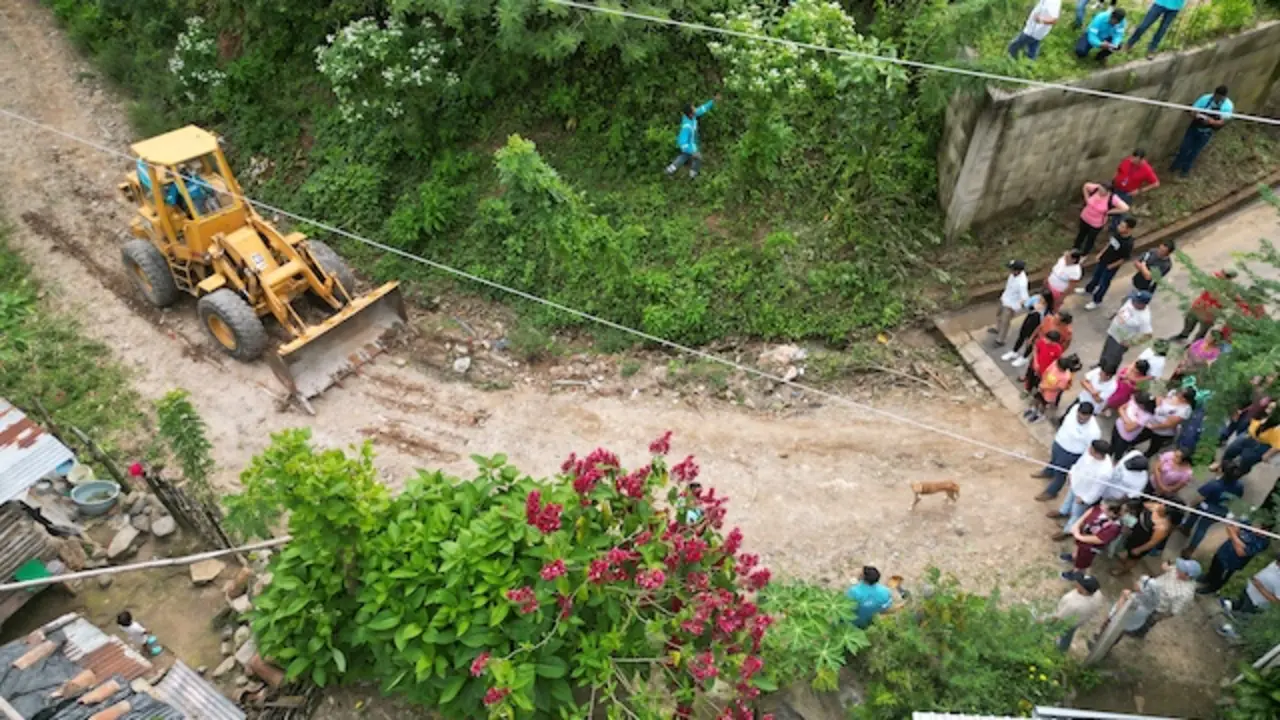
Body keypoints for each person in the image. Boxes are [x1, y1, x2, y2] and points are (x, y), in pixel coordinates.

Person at [1116, 559, 1200, 639]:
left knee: (1147, 623)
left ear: (1187, 575)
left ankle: (1138, 633)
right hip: (1147, 594)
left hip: (1156, 608)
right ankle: (1127, 623)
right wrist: (1164, 566)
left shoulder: (1185, 594)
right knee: (1134, 611)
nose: (1177, 568)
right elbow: (1166, 567)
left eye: (1181, 569)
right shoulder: (1176, 569)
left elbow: (1173, 611)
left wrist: (1159, 616)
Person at [1035, 401, 1102, 501]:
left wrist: (1079, 465)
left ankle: (1051, 492)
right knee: (1053, 461)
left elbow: (1089, 450)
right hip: (1059, 442)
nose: (1080, 420)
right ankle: (1048, 472)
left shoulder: (1094, 431)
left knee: (1060, 474)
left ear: (1090, 416)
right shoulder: (1074, 408)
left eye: (1084, 419)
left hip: (1070, 453)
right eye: (1079, 417)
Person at [1179, 460, 1247, 557]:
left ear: (1222, 472)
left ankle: (1186, 528)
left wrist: (1191, 505)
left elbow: (1199, 498)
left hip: (1207, 507)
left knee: (1197, 515)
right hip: (1221, 511)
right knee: (1203, 527)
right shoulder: (1239, 486)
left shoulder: (1214, 484)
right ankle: (1190, 549)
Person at [1050, 439, 1113, 539]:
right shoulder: (1089, 454)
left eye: (1091, 449)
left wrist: (1085, 499)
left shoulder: (1105, 471)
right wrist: (1071, 473)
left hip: (1083, 494)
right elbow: (1079, 464)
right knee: (1068, 499)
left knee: (1076, 513)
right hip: (1076, 483)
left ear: (1097, 453)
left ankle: (1068, 531)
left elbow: (1097, 490)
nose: (1089, 449)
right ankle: (1063, 512)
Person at [1172, 85, 1233, 176]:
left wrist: (1212, 122)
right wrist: (1197, 116)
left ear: (1224, 97)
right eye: (1216, 96)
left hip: (1207, 131)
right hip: (1195, 127)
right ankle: (1175, 165)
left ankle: (1185, 170)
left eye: (1220, 98)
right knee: (1184, 147)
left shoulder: (1227, 106)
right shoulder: (1205, 99)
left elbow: (1222, 122)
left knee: (1195, 151)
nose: (1217, 99)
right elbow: (1193, 111)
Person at [1198, 521, 1271, 595]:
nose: (1255, 528)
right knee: (1214, 567)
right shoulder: (1249, 523)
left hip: (1231, 562)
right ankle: (1208, 578)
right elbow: (1230, 527)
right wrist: (1239, 542)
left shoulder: (1262, 542)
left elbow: (1241, 553)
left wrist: (1233, 535)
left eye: (1259, 528)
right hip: (1223, 552)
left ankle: (1212, 588)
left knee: (1220, 576)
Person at [1081, 216, 1137, 309]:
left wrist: (1111, 266)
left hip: (1111, 266)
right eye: (1120, 225)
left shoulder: (1128, 243)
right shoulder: (1117, 234)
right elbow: (1109, 244)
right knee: (1096, 276)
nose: (1119, 227)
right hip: (1103, 260)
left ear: (1129, 229)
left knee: (1104, 283)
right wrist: (1101, 253)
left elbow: (1124, 258)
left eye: (1123, 226)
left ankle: (1097, 301)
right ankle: (1089, 289)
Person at [1171, 269, 1238, 342]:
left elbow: (1233, 301)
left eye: (1222, 273)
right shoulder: (1214, 279)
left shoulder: (1230, 289)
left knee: (1202, 331)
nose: (1219, 274)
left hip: (1210, 313)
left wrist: (1220, 305)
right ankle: (1184, 335)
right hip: (1199, 306)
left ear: (1227, 277)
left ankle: (1194, 344)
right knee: (1189, 320)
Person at [1113, 501, 1178, 575]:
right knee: (1128, 550)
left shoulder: (1162, 527)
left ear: (1167, 512)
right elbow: (1143, 504)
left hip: (1141, 542)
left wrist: (1140, 549)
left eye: (1164, 506)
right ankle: (1125, 559)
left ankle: (1123, 570)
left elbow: (1153, 542)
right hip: (1134, 533)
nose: (1161, 505)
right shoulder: (1155, 506)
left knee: (1133, 558)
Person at [1062, 501, 1122, 580]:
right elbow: (1090, 511)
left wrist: (1079, 536)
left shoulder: (1114, 527)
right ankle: (1074, 556)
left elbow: (1099, 539)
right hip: (1085, 534)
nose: (1101, 507)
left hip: (1091, 546)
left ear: (1112, 512)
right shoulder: (1100, 509)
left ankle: (1076, 573)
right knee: (1079, 548)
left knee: (1084, 560)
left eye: (1104, 507)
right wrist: (1076, 525)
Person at [1215, 406, 1280, 475]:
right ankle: (1221, 466)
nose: (1268, 409)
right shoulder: (1263, 414)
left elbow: (1278, 445)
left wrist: (1268, 454)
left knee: (1245, 462)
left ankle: (1231, 478)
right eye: (1269, 407)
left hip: (1261, 445)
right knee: (1231, 450)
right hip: (1248, 435)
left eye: (1271, 409)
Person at [666, 96, 718, 179]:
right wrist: (692, 152)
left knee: (683, 158)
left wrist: (712, 101)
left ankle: (670, 171)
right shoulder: (686, 126)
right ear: (690, 113)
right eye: (693, 108)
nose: (695, 109)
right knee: (697, 157)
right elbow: (683, 143)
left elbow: (701, 109)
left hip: (692, 144)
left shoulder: (692, 116)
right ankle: (691, 175)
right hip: (688, 146)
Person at [1051, 574, 1105, 651]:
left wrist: (1050, 623)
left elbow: (1058, 617)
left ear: (1084, 591)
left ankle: (1060, 649)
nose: (1076, 582)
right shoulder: (1097, 594)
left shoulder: (1074, 604)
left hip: (1068, 622)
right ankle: (1063, 648)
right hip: (1079, 621)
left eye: (1079, 583)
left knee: (1063, 632)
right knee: (1068, 635)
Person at [1100, 291, 1153, 369]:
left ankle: (1107, 372)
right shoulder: (1131, 301)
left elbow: (1148, 335)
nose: (1133, 301)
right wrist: (1113, 316)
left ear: (1143, 304)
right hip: (1112, 332)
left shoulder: (1144, 318)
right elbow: (1122, 309)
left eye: (1136, 301)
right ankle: (1100, 365)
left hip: (1121, 341)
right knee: (1105, 351)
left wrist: (1131, 343)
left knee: (1113, 358)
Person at [1074, 182, 1129, 255]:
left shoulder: (1112, 198)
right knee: (1081, 234)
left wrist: (1109, 212)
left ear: (1108, 191)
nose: (1099, 192)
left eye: (1102, 191)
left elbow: (1125, 208)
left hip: (1096, 223)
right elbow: (1086, 186)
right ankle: (1075, 248)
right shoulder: (1096, 188)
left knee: (1090, 239)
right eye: (1099, 189)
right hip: (1085, 217)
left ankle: (1084, 253)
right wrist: (1087, 198)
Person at [1003, 289, 1054, 364]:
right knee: (1021, 336)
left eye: (1042, 298)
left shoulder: (1047, 311)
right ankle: (1014, 352)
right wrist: (1028, 305)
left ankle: (1024, 357)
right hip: (1028, 320)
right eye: (1040, 297)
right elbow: (1026, 304)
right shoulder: (1036, 298)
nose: (1040, 299)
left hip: (1036, 326)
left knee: (1030, 341)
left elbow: (1045, 322)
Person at [1143, 387, 1196, 457]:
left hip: (1161, 432)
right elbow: (1162, 397)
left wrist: (1153, 427)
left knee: (1154, 446)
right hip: (1152, 422)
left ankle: (1146, 456)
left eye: (1180, 393)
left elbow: (1168, 424)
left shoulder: (1184, 410)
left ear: (1184, 399)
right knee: (1142, 436)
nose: (1178, 393)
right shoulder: (1174, 392)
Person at [1028, 354, 1080, 424]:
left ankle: (1040, 415)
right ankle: (1033, 409)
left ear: (1063, 368)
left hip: (1050, 393)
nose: (1056, 367)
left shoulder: (1066, 377)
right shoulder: (1055, 363)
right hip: (1043, 386)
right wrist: (1042, 383)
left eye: (1058, 367)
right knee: (1037, 398)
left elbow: (1058, 388)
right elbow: (1046, 372)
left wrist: (1044, 387)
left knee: (1044, 404)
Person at [991, 259, 1029, 346]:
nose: (1009, 270)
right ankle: (998, 328)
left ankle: (1000, 340)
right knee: (999, 315)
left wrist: (1015, 308)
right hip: (1004, 299)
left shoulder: (1022, 283)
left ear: (1017, 270)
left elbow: (1024, 298)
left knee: (1005, 322)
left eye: (1011, 268)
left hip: (1010, 305)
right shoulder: (1013, 275)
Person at [1111, 390, 1156, 458]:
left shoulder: (1146, 416)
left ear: (1141, 405)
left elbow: (1128, 429)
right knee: (1112, 445)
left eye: (1135, 400)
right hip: (1117, 426)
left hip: (1125, 437)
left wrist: (1124, 414)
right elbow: (1120, 408)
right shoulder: (1134, 400)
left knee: (1118, 452)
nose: (1132, 399)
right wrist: (1128, 421)